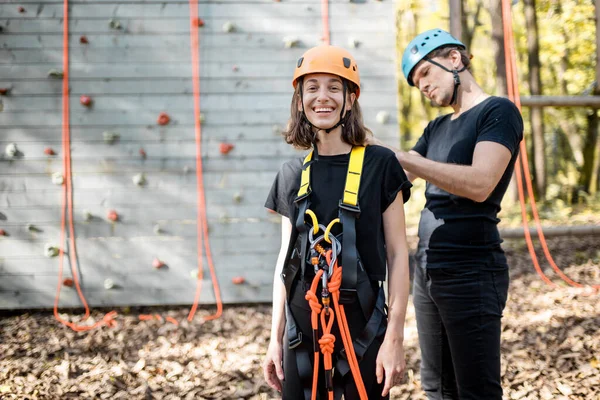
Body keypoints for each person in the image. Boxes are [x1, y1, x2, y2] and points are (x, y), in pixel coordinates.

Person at [368, 29, 524, 399]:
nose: (420, 85)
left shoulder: (497, 112)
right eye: (414, 81)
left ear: (453, 60)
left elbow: (481, 183)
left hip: (472, 268)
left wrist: (406, 158)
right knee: (436, 387)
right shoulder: (436, 127)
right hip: (427, 268)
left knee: (475, 390)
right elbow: (396, 181)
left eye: (424, 73)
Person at [262, 45, 413, 399]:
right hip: (301, 333)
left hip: (364, 328)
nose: (322, 97)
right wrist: (275, 338)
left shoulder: (381, 165)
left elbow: (398, 254)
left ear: (349, 99)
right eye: (312, 87)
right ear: (300, 100)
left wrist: (394, 338)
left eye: (334, 87)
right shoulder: (292, 174)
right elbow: (285, 263)